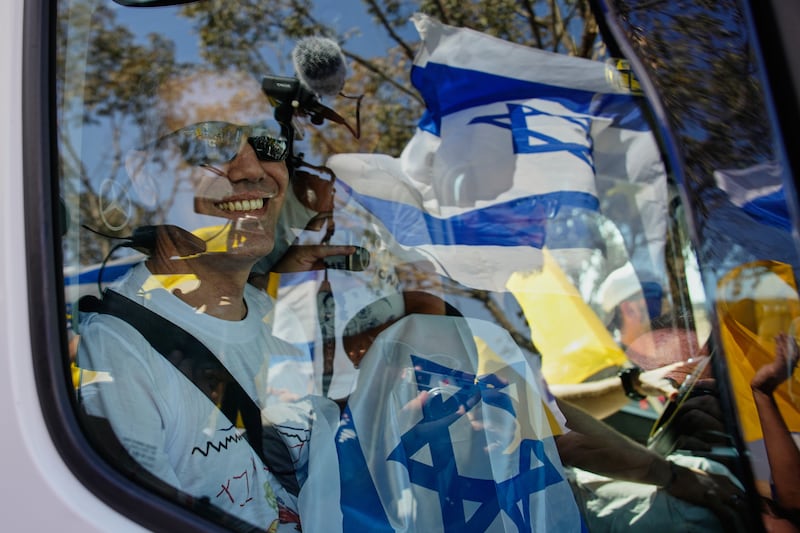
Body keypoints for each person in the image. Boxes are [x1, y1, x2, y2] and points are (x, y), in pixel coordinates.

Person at [75, 67, 352, 531]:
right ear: (147, 179)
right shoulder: (116, 357)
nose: (250, 169)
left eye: (266, 145)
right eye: (211, 142)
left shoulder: (272, 317)